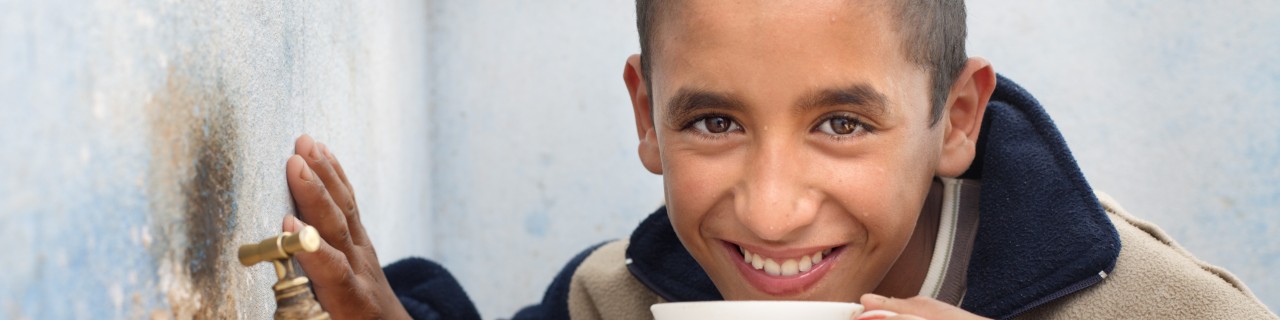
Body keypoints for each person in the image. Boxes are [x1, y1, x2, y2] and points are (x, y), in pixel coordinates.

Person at [277, 1, 1277, 319]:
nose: (770, 207)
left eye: (841, 123)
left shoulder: (1157, 303)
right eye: (713, 121)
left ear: (957, 116)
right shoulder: (616, 298)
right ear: (647, 115)